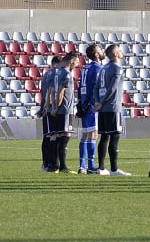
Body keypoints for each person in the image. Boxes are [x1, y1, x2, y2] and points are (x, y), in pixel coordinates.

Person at [94, 44, 129, 176]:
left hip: (103, 108)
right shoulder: (117, 68)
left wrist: (98, 102)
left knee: (104, 137)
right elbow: (113, 88)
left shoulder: (103, 68)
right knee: (115, 136)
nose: (121, 52)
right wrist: (102, 102)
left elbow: (96, 88)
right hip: (113, 107)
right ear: (115, 54)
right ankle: (114, 169)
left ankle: (101, 168)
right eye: (119, 50)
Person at [40, 54, 72, 173]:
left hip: (49, 108)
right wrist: (48, 107)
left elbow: (44, 92)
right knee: (53, 136)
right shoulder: (54, 74)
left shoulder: (47, 75)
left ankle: (49, 164)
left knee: (50, 136)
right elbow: (49, 92)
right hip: (52, 108)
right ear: (57, 64)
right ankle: (52, 164)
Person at [77, 43, 104, 174]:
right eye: (100, 49)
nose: (102, 50)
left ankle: (82, 165)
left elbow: (79, 86)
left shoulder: (85, 68)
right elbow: (96, 87)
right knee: (93, 134)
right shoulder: (98, 68)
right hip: (92, 104)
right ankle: (91, 165)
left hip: (84, 103)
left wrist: (81, 103)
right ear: (96, 54)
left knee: (86, 134)